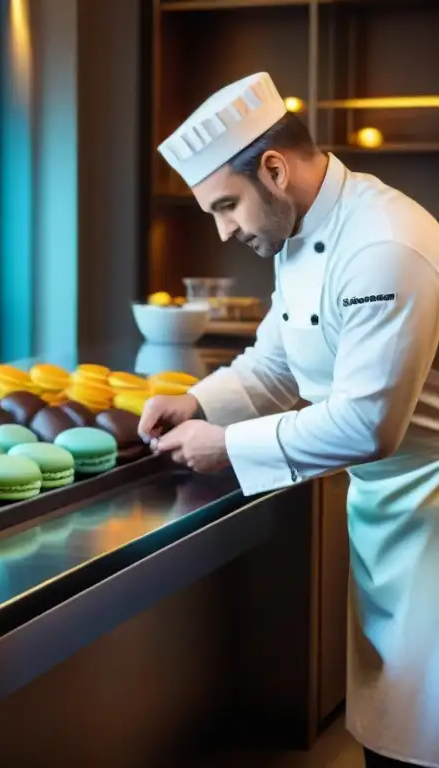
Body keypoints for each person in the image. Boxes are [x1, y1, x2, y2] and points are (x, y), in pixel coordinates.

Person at [141, 72, 439, 768]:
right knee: (394, 736)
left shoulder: (383, 246)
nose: (222, 230)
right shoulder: (301, 229)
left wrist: (226, 445)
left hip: (431, 523)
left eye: (226, 206)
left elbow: (367, 426)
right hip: (387, 520)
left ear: (273, 170)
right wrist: (199, 402)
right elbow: (276, 363)